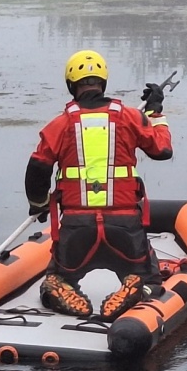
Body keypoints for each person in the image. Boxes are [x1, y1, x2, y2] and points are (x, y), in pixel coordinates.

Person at [24, 50, 173, 322]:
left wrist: (38, 204)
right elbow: (162, 150)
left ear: (71, 85)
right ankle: (139, 287)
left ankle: (59, 286)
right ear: (102, 82)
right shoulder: (130, 117)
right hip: (125, 227)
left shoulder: (60, 124)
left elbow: (38, 168)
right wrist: (155, 112)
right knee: (151, 278)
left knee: (58, 276)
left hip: (77, 228)